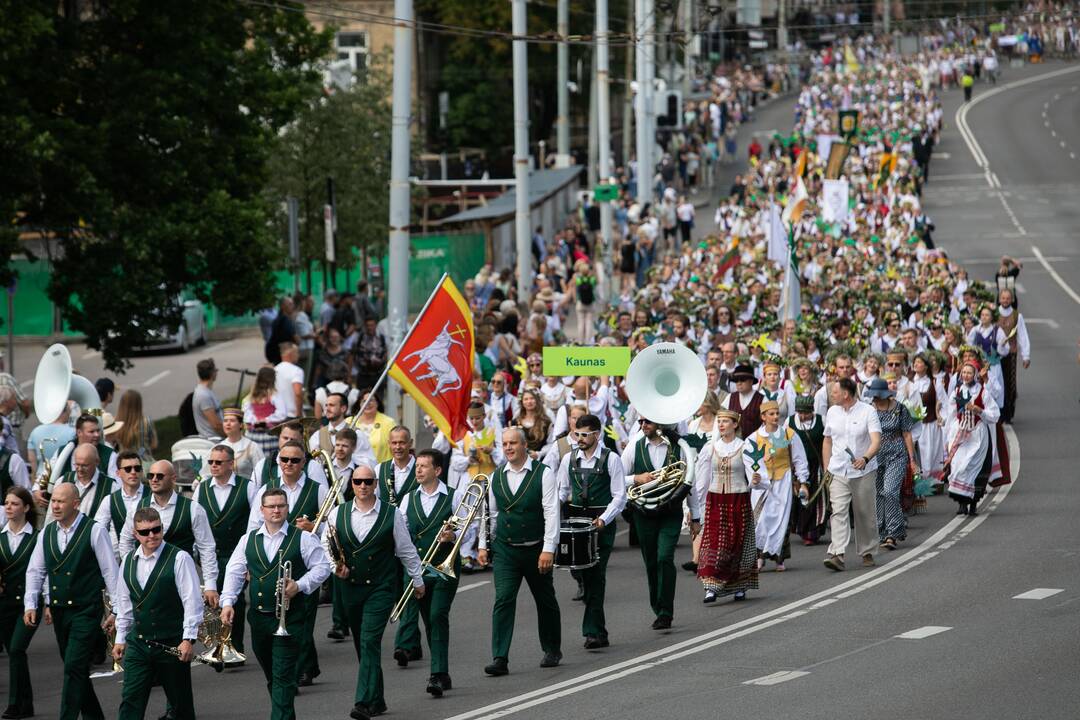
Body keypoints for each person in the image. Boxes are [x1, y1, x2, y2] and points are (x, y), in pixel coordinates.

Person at [322, 462, 425, 720]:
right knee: (362, 644)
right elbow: (326, 545)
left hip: (381, 588)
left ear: (376, 484)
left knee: (369, 641)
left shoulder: (393, 515)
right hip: (350, 589)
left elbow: (406, 550)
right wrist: (336, 567)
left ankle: (364, 702)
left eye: (368, 481)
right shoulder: (337, 514)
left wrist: (418, 580)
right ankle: (378, 700)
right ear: (352, 484)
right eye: (358, 481)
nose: (363, 486)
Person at [220, 487, 331, 720]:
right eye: (271, 506)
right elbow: (234, 571)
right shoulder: (248, 539)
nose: (276, 510)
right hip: (260, 619)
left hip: (290, 619)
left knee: (282, 676)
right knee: (274, 677)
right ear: (262, 510)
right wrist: (228, 602)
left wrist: (299, 585)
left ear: (287, 508)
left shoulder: (304, 538)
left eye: (281, 505)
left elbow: (322, 568)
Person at [23, 482, 120, 720]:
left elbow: (111, 573)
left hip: (86, 610)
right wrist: (30, 603)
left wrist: (118, 610)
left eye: (60, 501)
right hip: (59, 611)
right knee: (73, 669)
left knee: (74, 667)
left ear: (75, 504)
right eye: (53, 500)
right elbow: (35, 571)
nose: (54, 506)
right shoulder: (46, 533)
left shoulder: (95, 531)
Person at [479, 427, 561, 676]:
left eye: (513, 443)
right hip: (506, 549)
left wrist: (548, 549)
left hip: (535, 548)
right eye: (504, 444)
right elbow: (488, 514)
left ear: (525, 445)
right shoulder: (495, 477)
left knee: (545, 599)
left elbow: (552, 512)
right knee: (503, 599)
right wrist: (484, 544)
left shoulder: (543, 474)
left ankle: (551, 648)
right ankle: (500, 657)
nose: (508, 448)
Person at [247, 440, 329, 688]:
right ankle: (305, 666)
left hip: (306, 559)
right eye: (284, 460)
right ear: (278, 462)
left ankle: (300, 669)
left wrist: (314, 527)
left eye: (295, 460)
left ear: (304, 463)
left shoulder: (317, 489)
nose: (289, 464)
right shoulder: (267, 490)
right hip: (272, 560)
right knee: (280, 617)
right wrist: (252, 564)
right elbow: (253, 526)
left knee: (302, 617)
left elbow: (332, 526)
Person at [111, 507, 202, 720]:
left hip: (171, 644)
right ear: (136, 534)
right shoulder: (128, 561)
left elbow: (192, 601)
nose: (151, 535)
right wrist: (120, 639)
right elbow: (124, 605)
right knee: (130, 700)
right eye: (145, 532)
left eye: (156, 529)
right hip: (139, 644)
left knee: (181, 706)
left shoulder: (180, 558)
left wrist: (188, 639)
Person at [392, 450, 465, 697]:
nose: (419, 470)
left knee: (437, 615)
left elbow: (470, 526)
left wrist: (453, 536)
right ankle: (442, 672)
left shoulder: (453, 497)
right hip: (418, 569)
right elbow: (400, 532)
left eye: (424, 466)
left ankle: (436, 674)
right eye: (417, 467)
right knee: (428, 619)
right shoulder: (408, 499)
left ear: (438, 470)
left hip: (445, 567)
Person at [555, 414, 626, 649]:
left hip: (600, 524)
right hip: (576, 522)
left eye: (585, 434)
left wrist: (604, 519)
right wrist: (554, 514)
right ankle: (600, 630)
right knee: (584, 575)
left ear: (596, 435)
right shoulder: (568, 459)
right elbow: (562, 491)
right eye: (577, 434)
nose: (580, 439)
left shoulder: (611, 459)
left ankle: (592, 631)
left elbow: (619, 496)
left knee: (596, 575)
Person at [621, 417, 699, 630]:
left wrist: (697, 516)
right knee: (651, 562)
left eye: (648, 421)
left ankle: (665, 611)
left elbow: (690, 479)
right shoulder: (635, 446)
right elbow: (617, 475)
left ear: (660, 423)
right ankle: (657, 606)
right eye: (641, 421)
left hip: (670, 512)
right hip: (643, 513)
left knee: (665, 557)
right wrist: (636, 478)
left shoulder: (679, 447)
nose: (642, 425)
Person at [118, 460, 219, 607]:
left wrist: (210, 585)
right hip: (145, 578)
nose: (154, 479)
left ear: (173, 478)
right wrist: (131, 570)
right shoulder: (136, 507)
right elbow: (125, 540)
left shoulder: (193, 509)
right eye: (150, 475)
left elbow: (206, 547)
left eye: (159, 476)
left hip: (180, 579)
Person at [195, 445, 258, 658]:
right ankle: (219, 645)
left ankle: (235, 646)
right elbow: (196, 522)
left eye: (218, 462)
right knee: (213, 601)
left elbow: (254, 524)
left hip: (236, 553)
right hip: (211, 555)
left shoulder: (247, 487)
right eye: (211, 462)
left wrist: (250, 557)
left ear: (231, 464)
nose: (213, 466)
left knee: (235, 600)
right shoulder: (201, 488)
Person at [692, 409, 757, 602]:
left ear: (735, 425)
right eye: (719, 421)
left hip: (738, 498)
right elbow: (701, 480)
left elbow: (754, 475)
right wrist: (695, 507)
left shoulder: (745, 447)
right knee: (713, 542)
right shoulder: (710, 448)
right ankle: (711, 586)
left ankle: (739, 585)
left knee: (736, 542)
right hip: (715, 500)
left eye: (725, 421)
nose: (721, 425)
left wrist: (756, 480)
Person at [822, 378, 882, 571]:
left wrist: (864, 458)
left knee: (864, 513)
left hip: (863, 471)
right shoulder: (832, 412)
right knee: (838, 510)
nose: (832, 395)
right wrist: (826, 468)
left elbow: (876, 441)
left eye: (835, 392)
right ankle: (837, 553)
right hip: (838, 470)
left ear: (845, 394)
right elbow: (827, 441)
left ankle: (867, 551)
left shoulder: (868, 411)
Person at [745, 400, 808, 571]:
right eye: (771, 414)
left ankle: (779, 557)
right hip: (763, 484)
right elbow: (750, 461)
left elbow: (799, 459)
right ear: (763, 417)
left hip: (783, 480)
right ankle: (759, 556)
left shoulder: (788, 434)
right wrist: (756, 474)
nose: (775, 417)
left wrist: (803, 482)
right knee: (761, 519)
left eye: (777, 414)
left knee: (781, 519)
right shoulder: (753, 438)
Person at [944, 358, 1000, 516]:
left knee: (974, 467)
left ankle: (973, 503)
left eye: (969, 372)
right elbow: (951, 414)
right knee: (958, 466)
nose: (966, 375)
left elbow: (995, 414)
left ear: (975, 375)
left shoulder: (983, 392)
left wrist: (979, 410)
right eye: (964, 373)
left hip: (977, 434)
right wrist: (949, 435)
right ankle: (962, 503)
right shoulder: (956, 392)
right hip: (960, 433)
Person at [1, 487, 39, 719]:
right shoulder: (1, 537)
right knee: (15, 653)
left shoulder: (36, 537)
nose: (9, 507)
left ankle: (15, 704)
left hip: (28, 605)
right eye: (6, 503)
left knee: (16, 649)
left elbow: (42, 572)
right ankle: (27, 703)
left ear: (25, 508)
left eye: (14, 503)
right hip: (4, 605)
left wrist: (45, 605)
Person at [787, 395, 828, 546]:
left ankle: (813, 532)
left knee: (816, 499)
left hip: (816, 465)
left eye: (806, 413)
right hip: (798, 467)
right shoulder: (790, 422)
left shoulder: (821, 421)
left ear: (812, 410)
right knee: (800, 499)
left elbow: (828, 442)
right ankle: (803, 530)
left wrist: (827, 464)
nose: (803, 416)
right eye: (800, 413)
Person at [46, 413, 119, 492]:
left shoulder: (110, 454)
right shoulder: (62, 452)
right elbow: (46, 474)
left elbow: (117, 484)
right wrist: (37, 490)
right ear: (79, 432)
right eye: (92, 432)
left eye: (98, 431)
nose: (97, 435)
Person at [94, 451, 148, 551]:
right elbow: (97, 531)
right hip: (119, 560)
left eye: (137, 468)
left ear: (141, 471)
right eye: (128, 469)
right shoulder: (109, 500)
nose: (133, 472)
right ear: (118, 473)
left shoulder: (153, 495)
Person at [250, 421, 328, 489]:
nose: (288, 442)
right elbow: (254, 497)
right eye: (285, 438)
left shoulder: (313, 466)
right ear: (279, 438)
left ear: (301, 441)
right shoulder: (262, 465)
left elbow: (324, 496)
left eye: (293, 439)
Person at [57, 444, 115, 524]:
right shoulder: (62, 481)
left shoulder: (111, 486)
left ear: (97, 462)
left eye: (85, 465)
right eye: (77, 464)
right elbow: (51, 516)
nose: (80, 469)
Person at [996, 288, 1030, 424]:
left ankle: (1008, 413)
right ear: (999, 299)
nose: (1005, 300)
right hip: (996, 355)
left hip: (1011, 354)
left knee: (1009, 383)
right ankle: (998, 411)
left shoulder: (1017, 316)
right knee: (997, 382)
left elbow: (1023, 336)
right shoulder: (993, 314)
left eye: (1007, 298)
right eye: (1003, 298)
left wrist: (1026, 356)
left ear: (1012, 300)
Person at [243, 367, 288, 455]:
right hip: (269, 435)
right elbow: (282, 413)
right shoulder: (274, 394)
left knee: (256, 458)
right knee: (269, 459)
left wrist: (255, 421)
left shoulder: (252, 395)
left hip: (253, 434)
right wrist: (266, 420)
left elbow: (247, 413)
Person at [27, 400, 76, 481]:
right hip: (64, 479)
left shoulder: (35, 431)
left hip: (42, 479)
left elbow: (32, 462)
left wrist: (33, 483)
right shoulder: (72, 432)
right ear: (64, 411)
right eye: (68, 410)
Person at [348, 392, 397, 465]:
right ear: (359, 404)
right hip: (354, 471)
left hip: (381, 470)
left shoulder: (389, 423)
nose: (367, 403)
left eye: (371, 400)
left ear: (377, 403)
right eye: (364, 401)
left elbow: (395, 447)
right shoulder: (349, 422)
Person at [112, 390, 157, 463]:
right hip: (145, 463)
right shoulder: (147, 422)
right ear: (139, 404)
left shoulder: (115, 423)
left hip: (123, 464)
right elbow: (154, 444)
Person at [221, 407, 264, 479]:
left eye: (232, 421)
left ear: (241, 424)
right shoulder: (219, 447)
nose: (228, 424)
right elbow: (206, 473)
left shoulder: (252, 447)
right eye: (225, 421)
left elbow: (261, 472)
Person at [726, 364, 764, 438]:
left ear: (751, 381)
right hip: (733, 444)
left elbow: (766, 424)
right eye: (736, 380)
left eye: (743, 379)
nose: (739, 383)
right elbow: (721, 419)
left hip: (755, 443)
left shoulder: (762, 399)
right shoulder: (730, 397)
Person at [192, 359, 224, 440]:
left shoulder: (206, 391)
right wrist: (230, 436)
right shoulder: (203, 395)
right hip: (213, 441)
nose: (217, 373)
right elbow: (216, 425)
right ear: (212, 373)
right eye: (216, 370)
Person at [275, 343, 306, 420]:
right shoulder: (297, 371)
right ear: (290, 354)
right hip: (292, 415)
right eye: (297, 352)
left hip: (276, 414)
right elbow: (298, 393)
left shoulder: (274, 370)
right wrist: (299, 414)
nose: (298, 355)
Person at [265, 296, 297, 366]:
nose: (293, 306)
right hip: (281, 355)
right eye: (290, 304)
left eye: (292, 304)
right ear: (283, 306)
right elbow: (295, 338)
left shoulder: (279, 319)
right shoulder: (285, 320)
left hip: (276, 354)